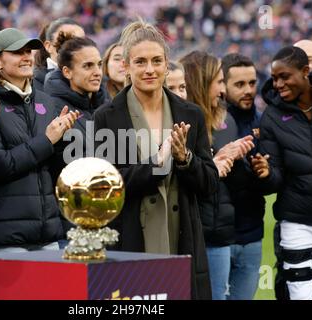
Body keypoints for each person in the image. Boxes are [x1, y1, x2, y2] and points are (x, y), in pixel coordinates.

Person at [93, 20, 219, 300]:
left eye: (156, 61)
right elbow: (106, 187)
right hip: (130, 242)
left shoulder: (191, 114)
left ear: (166, 64)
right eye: (140, 62)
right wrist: (155, 165)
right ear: (126, 66)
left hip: (181, 240)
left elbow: (210, 184)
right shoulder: (106, 116)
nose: (149, 69)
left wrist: (184, 159)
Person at [0, 28, 78, 254]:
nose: (27, 57)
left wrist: (62, 140)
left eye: (29, 51)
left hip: (49, 235)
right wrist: (47, 140)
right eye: (17, 52)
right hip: (4, 238)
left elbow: (54, 171)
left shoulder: (46, 100)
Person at [254, 46, 312, 300]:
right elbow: (276, 178)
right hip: (296, 221)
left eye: (285, 77)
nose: (278, 84)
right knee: (300, 295)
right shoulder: (272, 116)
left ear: (306, 72)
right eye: (274, 78)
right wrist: (265, 173)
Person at [180, 51, 254, 300]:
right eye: (219, 82)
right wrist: (215, 162)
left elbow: (230, 185)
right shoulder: (179, 122)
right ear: (201, 82)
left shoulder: (226, 121)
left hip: (220, 232)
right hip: (187, 232)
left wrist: (240, 161)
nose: (223, 90)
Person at [221, 53, 265, 300]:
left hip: (252, 236)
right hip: (218, 239)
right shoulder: (210, 123)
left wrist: (266, 173)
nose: (248, 90)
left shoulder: (264, 123)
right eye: (239, 84)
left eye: (252, 83)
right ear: (222, 85)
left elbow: (272, 183)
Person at [44, 32, 108, 160]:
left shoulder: (108, 104)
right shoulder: (54, 110)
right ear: (67, 72)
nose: (97, 72)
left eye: (99, 65)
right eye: (88, 66)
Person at [33, 18, 85, 92]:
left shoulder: (94, 78)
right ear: (48, 46)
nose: (77, 47)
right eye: (66, 41)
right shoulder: (34, 84)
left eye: (83, 42)